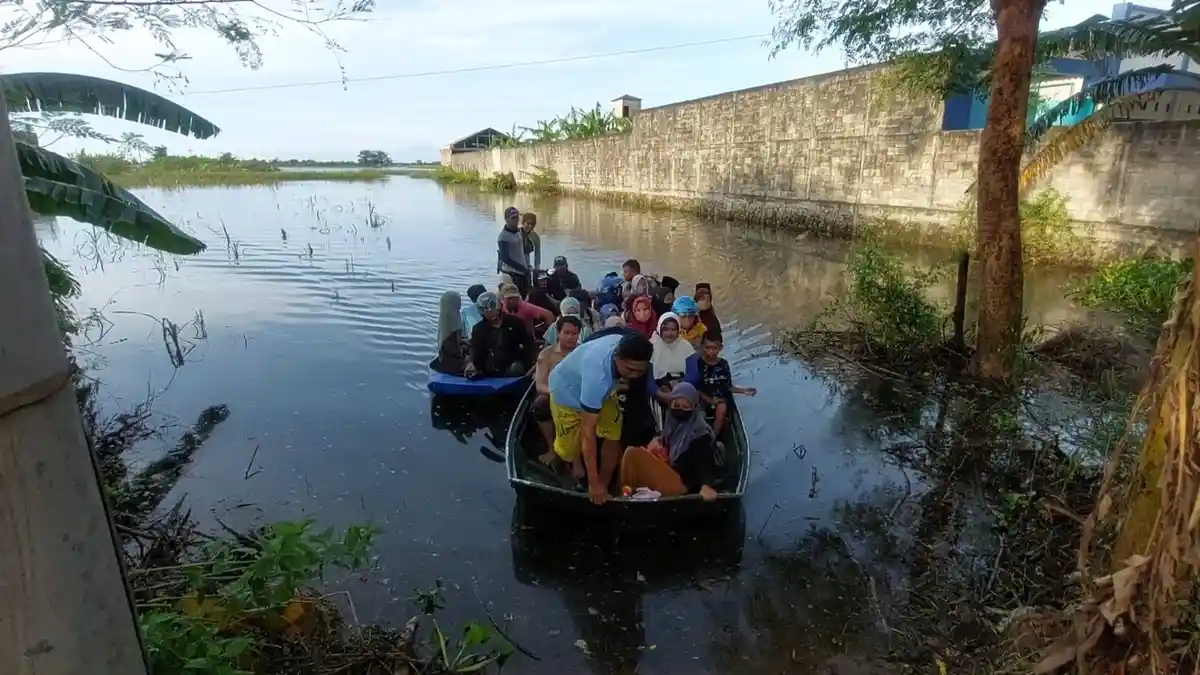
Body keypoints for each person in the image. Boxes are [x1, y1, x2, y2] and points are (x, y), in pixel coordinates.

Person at [546, 332, 654, 504]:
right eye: (630, 370)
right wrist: (592, 483)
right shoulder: (597, 375)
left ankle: (605, 485)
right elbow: (588, 432)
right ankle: (566, 470)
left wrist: (600, 485)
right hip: (567, 393)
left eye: (639, 371)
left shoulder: (628, 342)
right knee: (567, 450)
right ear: (617, 357)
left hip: (607, 390)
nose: (633, 376)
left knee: (613, 433)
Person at [618, 382, 721, 501]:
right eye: (676, 405)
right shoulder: (672, 426)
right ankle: (628, 493)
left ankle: (625, 497)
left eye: (686, 406)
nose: (680, 409)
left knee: (632, 454)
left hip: (683, 484)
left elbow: (704, 460)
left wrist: (706, 486)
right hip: (672, 472)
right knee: (627, 456)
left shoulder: (699, 432)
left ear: (694, 408)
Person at [685, 331, 755, 438]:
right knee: (700, 414)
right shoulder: (697, 364)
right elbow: (695, 388)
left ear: (720, 348)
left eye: (714, 348)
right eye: (707, 348)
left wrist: (743, 391)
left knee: (722, 408)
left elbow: (727, 386)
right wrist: (709, 400)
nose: (711, 352)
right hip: (702, 398)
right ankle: (699, 436)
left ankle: (713, 438)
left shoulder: (723, 364)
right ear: (702, 346)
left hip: (718, 400)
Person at [532, 315, 583, 453]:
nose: (570, 337)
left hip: (578, 394)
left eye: (574, 333)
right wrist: (558, 393)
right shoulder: (546, 355)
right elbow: (540, 385)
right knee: (540, 405)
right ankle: (551, 448)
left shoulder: (583, 353)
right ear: (558, 333)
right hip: (553, 394)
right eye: (566, 333)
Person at [467, 291, 537, 379]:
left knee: (516, 367)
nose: (490, 311)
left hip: (514, 365)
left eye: (492, 307)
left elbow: (529, 343)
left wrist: (534, 362)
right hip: (490, 369)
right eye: (485, 309)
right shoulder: (478, 329)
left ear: (498, 306)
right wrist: (472, 364)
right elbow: (476, 350)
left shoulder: (516, 323)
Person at [649, 312, 694, 403]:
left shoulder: (686, 346)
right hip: (659, 392)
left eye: (673, 329)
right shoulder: (650, 347)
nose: (670, 333)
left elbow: (693, 374)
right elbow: (648, 379)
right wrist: (662, 395)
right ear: (659, 328)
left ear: (678, 330)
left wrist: (680, 391)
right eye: (666, 329)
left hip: (684, 389)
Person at [434, 291, 470, 374]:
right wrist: (467, 358)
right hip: (453, 362)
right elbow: (452, 347)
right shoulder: (453, 320)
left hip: (445, 356)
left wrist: (464, 341)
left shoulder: (445, 316)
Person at [497, 206, 531, 296]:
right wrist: (523, 269)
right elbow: (505, 258)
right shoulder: (503, 237)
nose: (516, 220)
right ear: (506, 219)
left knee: (527, 297)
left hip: (523, 272)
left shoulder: (518, 231)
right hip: (512, 274)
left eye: (517, 217)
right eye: (513, 218)